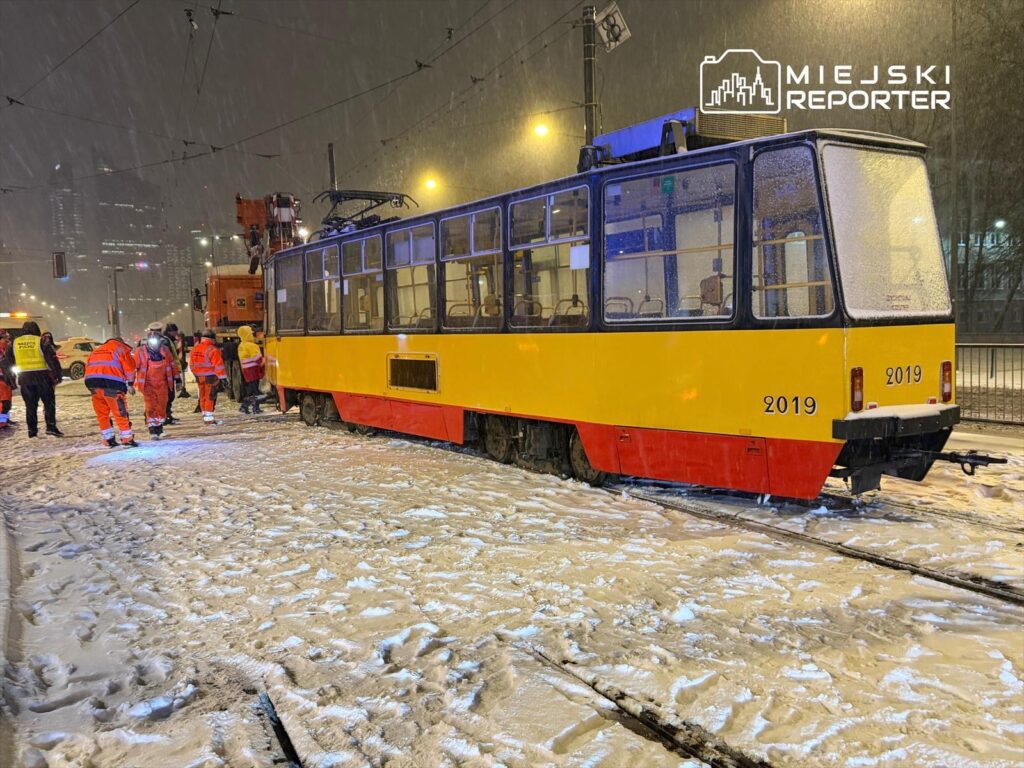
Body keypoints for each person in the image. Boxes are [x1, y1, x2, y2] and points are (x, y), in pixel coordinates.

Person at [2, 321, 62, 437]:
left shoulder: (14, 343)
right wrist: (57, 375)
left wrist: (10, 379)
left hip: (25, 379)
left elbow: (6, 363)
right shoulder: (40, 341)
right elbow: (52, 359)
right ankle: (51, 427)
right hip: (42, 376)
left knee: (30, 406)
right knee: (49, 403)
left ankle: (32, 431)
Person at [84, 336, 138, 447]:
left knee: (102, 414)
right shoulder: (121, 349)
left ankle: (108, 439)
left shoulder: (97, 350)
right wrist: (131, 384)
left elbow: (88, 366)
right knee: (120, 412)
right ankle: (127, 439)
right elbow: (130, 368)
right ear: (121, 342)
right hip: (111, 384)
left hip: (93, 384)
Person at [133, 325, 176, 439]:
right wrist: (129, 383)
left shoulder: (165, 350)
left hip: (162, 383)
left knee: (161, 405)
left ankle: (160, 427)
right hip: (148, 384)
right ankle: (152, 430)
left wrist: (178, 379)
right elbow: (133, 367)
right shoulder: (140, 352)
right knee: (150, 406)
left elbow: (172, 365)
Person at [189, 329, 227, 425]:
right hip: (210, 376)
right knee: (210, 396)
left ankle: (205, 415)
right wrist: (223, 378)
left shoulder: (195, 348)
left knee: (202, 396)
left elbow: (191, 364)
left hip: (199, 376)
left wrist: (196, 373)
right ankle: (209, 418)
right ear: (212, 339)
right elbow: (218, 366)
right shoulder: (213, 349)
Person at [236, 325, 264, 414]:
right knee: (255, 391)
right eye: (250, 333)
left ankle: (245, 406)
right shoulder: (252, 346)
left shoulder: (241, 345)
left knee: (251, 390)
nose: (252, 334)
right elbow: (257, 359)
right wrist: (266, 361)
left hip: (246, 370)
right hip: (253, 370)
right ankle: (254, 408)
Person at [166, 323, 190, 399]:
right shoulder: (167, 341)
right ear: (170, 332)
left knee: (169, 392)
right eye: (175, 332)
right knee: (169, 392)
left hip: (171, 369)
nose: (176, 333)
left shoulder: (171, 340)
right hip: (169, 368)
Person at [0, 329, 14, 429]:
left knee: (8, 401)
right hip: (2, 379)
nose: (7, 340)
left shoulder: (7, 349)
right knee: (5, 402)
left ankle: (5, 419)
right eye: (4, 338)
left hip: (7, 378)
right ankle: (2, 421)